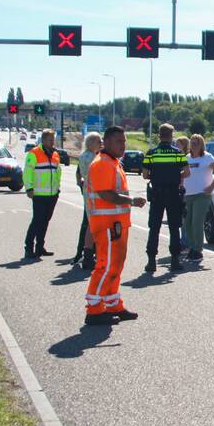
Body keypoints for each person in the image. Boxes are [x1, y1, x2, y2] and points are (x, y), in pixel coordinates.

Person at [84, 126, 146, 325]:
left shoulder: (113, 162)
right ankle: (94, 309)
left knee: (115, 266)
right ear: (107, 142)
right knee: (106, 265)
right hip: (107, 224)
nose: (123, 145)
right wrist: (131, 201)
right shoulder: (102, 163)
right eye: (119, 141)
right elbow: (106, 194)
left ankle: (112, 304)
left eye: (124, 141)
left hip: (116, 224)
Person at [142, 123, 189, 273]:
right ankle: (175, 260)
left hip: (157, 194)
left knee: (154, 227)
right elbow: (187, 173)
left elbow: (144, 175)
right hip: (174, 193)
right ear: (171, 135)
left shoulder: (151, 153)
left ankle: (151, 262)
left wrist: (155, 176)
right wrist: (175, 175)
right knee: (174, 227)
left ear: (159, 135)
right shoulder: (177, 153)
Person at [23, 128, 62, 260]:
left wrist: (57, 189)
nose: (53, 142)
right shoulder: (34, 153)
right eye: (51, 140)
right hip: (39, 194)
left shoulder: (55, 154)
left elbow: (58, 173)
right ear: (44, 140)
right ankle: (29, 248)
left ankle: (40, 247)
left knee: (45, 221)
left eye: (53, 139)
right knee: (37, 221)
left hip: (52, 194)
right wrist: (29, 188)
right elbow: (27, 172)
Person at [183, 134, 214, 261]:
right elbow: (183, 175)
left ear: (201, 145)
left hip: (202, 194)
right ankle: (192, 246)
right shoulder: (187, 158)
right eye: (192, 143)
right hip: (188, 194)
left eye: (196, 143)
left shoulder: (207, 157)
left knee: (197, 221)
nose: (194, 145)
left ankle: (198, 249)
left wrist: (212, 186)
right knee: (187, 223)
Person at [71, 132, 102, 269]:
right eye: (98, 142)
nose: (101, 144)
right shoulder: (91, 157)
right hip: (94, 193)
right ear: (91, 143)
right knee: (91, 224)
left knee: (88, 223)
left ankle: (84, 252)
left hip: (88, 191)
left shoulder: (87, 155)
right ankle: (87, 253)